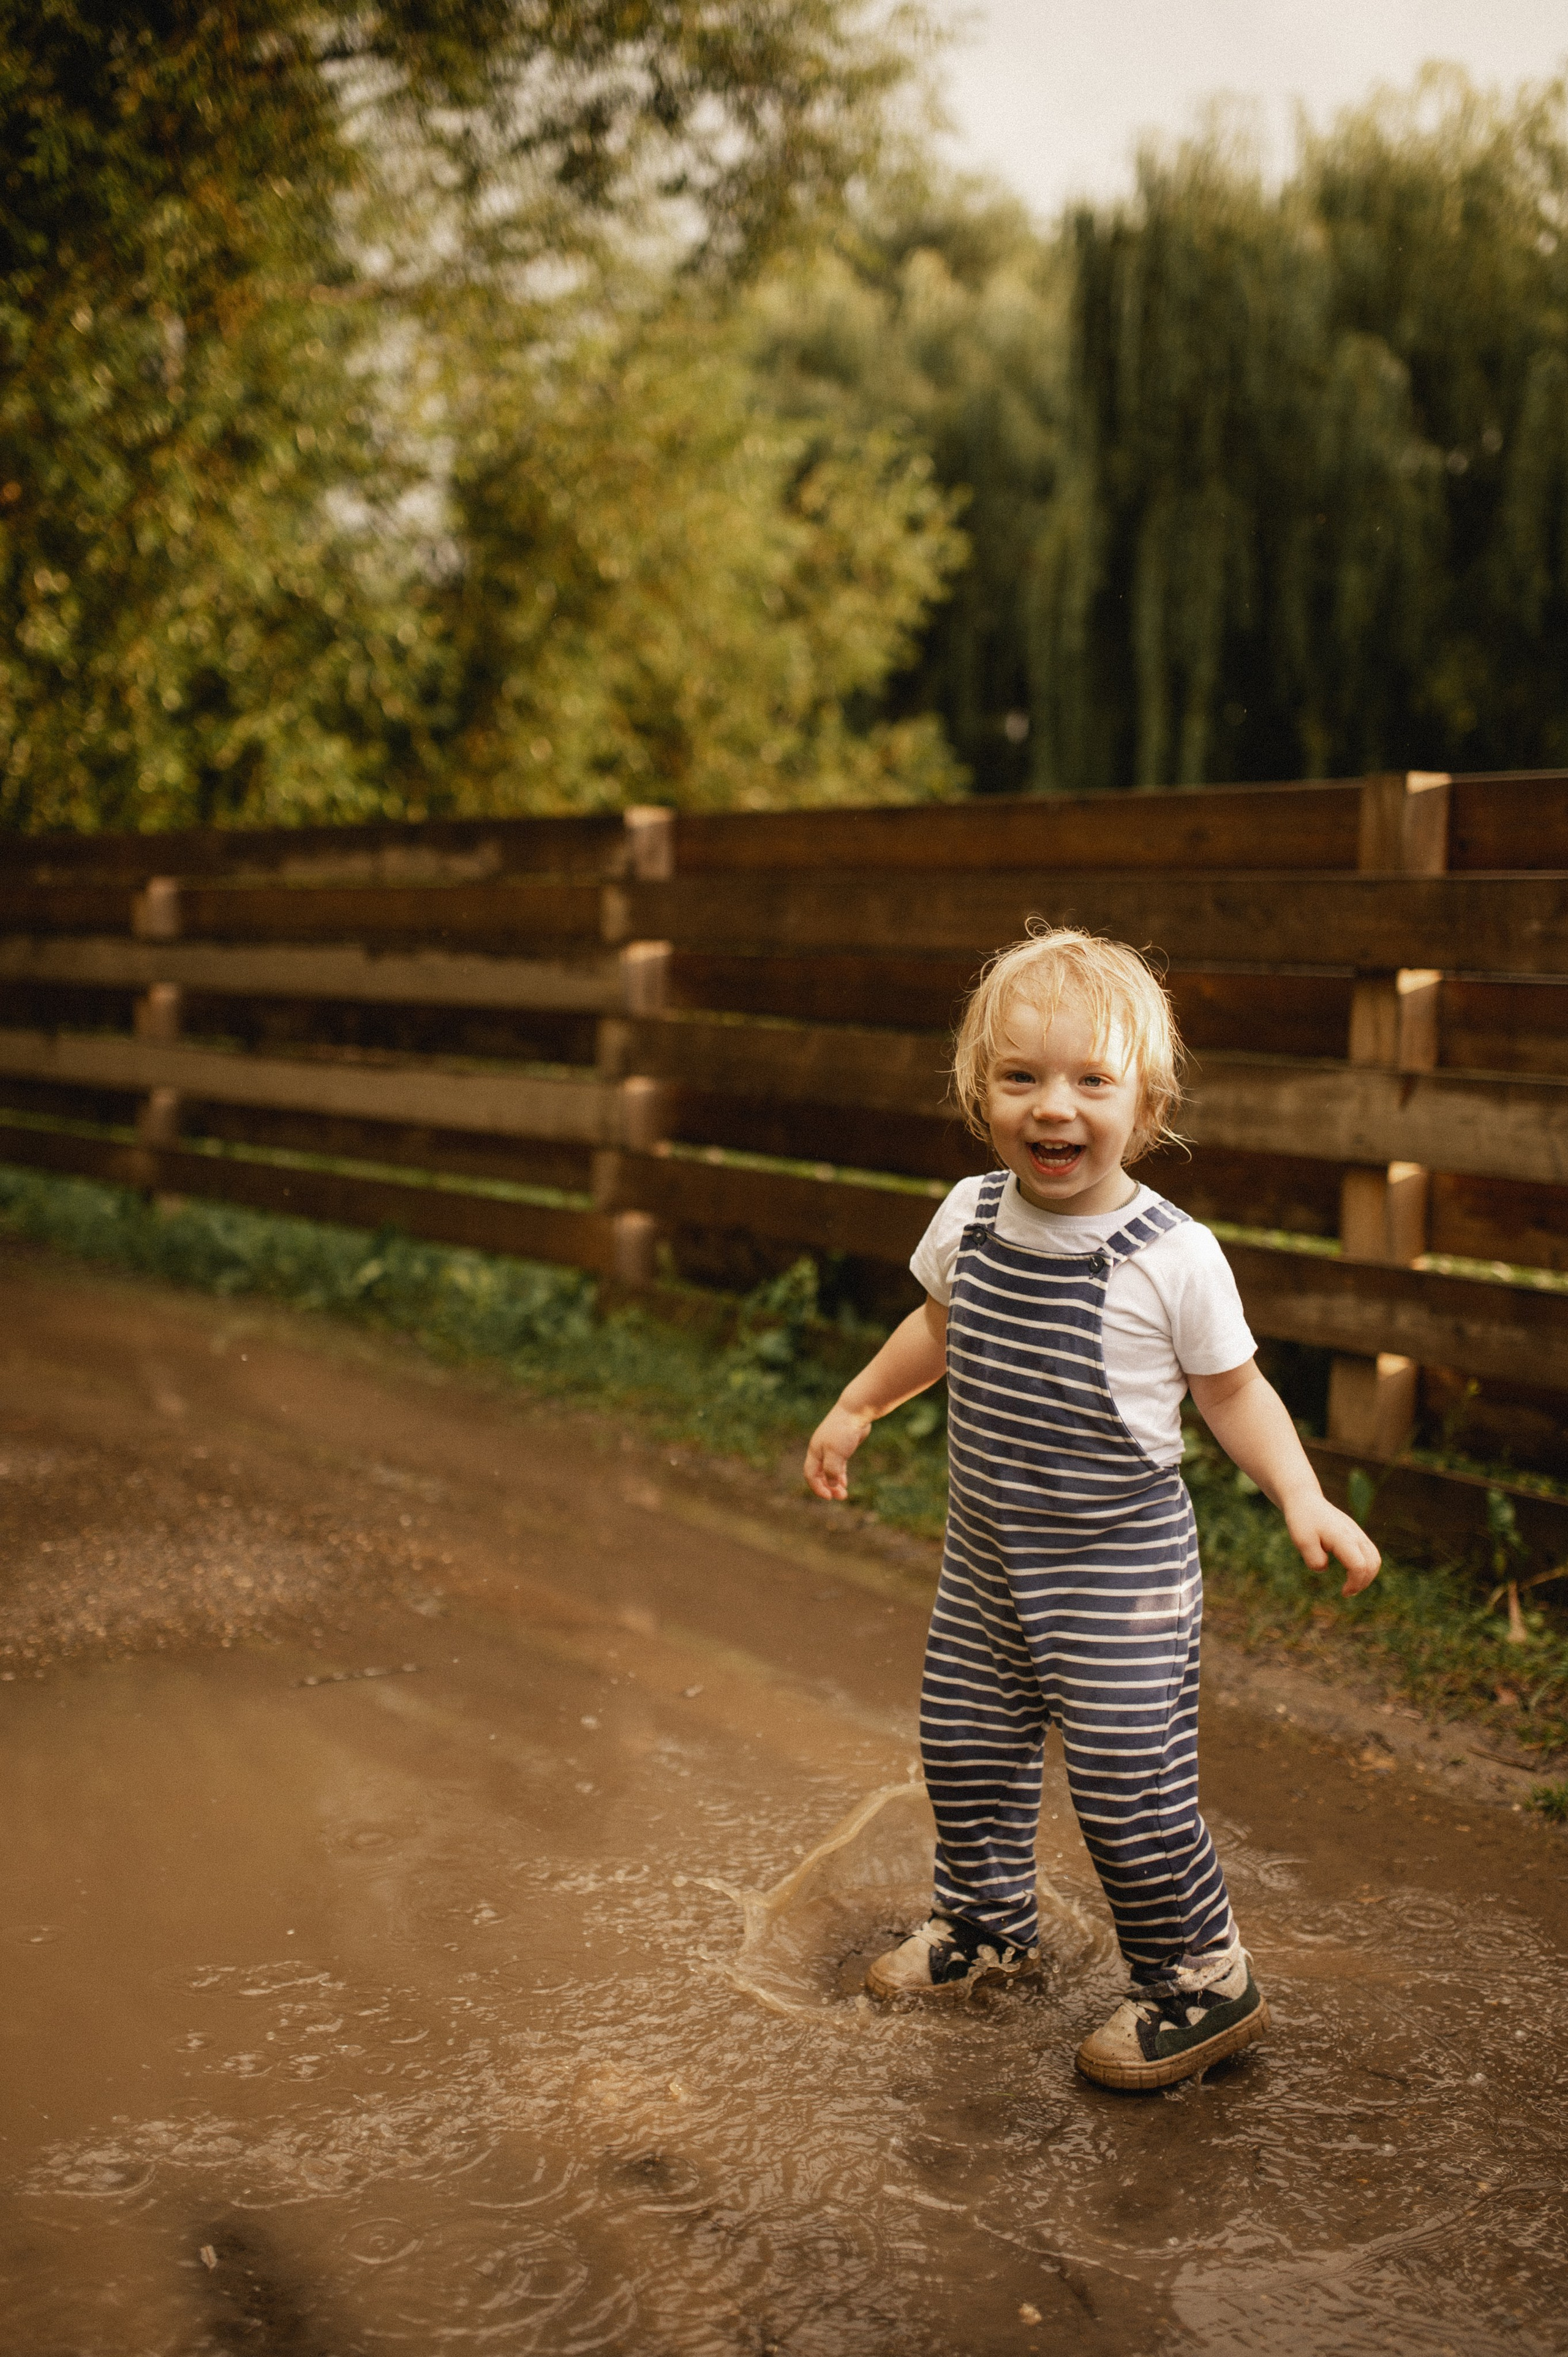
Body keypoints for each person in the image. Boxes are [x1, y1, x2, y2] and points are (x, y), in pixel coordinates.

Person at [804, 926, 1380, 2092]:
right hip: (987, 1568)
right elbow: (940, 1329)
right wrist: (859, 1406)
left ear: (1146, 1102)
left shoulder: (1170, 1256)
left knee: (1129, 1789)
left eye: (1090, 1081)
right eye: (1021, 1078)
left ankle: (1201, 1981)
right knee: (965, 1751)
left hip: (1120, 1581)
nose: (1052, 1108)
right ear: (981, 1094)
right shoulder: (969, 1218)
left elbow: (1235, 1392)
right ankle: (987, 1924)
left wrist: (1302, 1493)